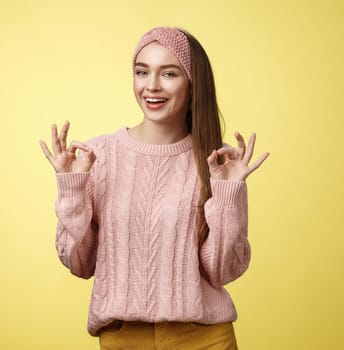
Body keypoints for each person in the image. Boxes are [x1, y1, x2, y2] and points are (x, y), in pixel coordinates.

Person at [39, 26, 269, 350]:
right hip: (123, 339)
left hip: (203, 338)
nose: (152, 86)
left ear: (193, 84)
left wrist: (228, 193)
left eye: (169, 73)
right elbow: (80, 264)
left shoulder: (217, 162)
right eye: (141, 71)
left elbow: (222, 272)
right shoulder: (98, 157)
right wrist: (72, 189)